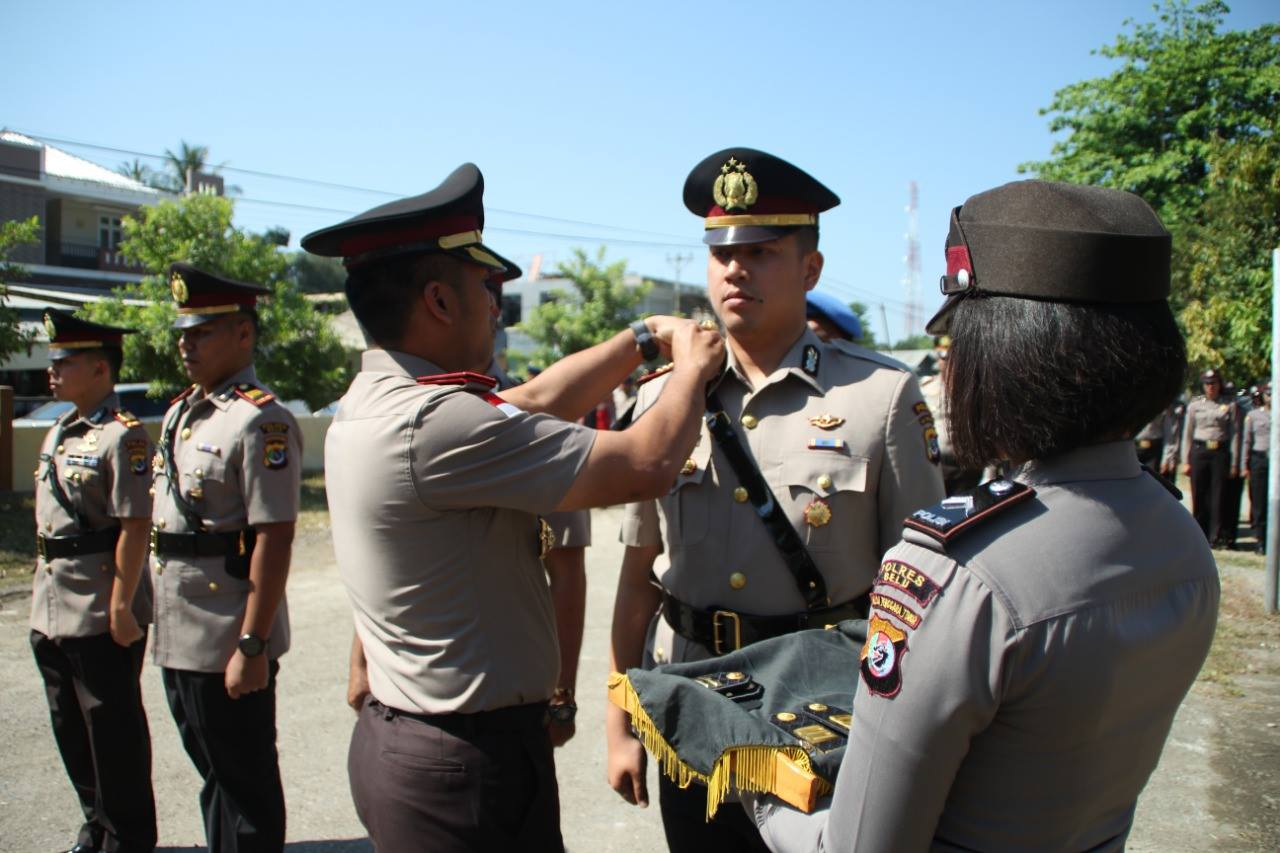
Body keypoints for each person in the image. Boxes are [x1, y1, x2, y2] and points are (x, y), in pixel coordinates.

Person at [743, 180, 1219, 852]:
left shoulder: (953, 572)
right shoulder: (1180, 536)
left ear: (1007, 358)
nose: (952, 368)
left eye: (959, 345)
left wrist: (756, 782)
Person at [302, 162, 723, 852]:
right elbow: (647, 461)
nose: (497, 305)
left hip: (417, 742)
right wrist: (693, 366)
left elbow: (527, 401)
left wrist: (641, 339)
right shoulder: (433, 424)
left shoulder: (377, 400)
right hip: (462, 764)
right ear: (438, 300)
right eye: (484, 288)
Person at [607, 147, 944, 852]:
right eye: (722, 252)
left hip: (824, 714)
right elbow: (641, 569)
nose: (735, 268)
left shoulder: (879, 397)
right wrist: (621, 719)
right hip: (693, 703)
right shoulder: (662, 400)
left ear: (809, 269)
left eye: (761, 252)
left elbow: (920, 595)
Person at [150, 263, 301, 853]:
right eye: (184, 333)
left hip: (228, 633)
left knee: (246, 786)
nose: (185, 343)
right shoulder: (183, 412)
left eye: (202, 332)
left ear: (243, 334)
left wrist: (253, 645)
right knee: (214, 776)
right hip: (181, 630)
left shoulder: (261, 419)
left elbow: (276, 537)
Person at [30, 310, 156, 853]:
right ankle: (97, 822)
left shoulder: (121, 438)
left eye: (65, 363)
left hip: (100, 602)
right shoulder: (59, 429)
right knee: (69, 725)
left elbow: (134, 524)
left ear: (101, 369)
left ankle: (128, 837)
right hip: (51, 603)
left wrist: (122, 603)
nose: (52, 372)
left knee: (112, 727)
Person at [1181, 368, 1240, 546]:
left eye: (1213, 383)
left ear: (1219, 384)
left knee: (1218, 495)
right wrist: (1185, 460)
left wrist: (1235, 462)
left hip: (1219, 452)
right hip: (1200, 451)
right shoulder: (1195, 405)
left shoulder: (1229, 405)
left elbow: (1235, 435)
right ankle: (1199, 533)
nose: (1210, 387)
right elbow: (1188, 434)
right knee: (1199, 493)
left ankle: (1215, 535)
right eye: (1207, 384)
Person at [1243, 382, 1271, 553]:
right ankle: (1261, 540)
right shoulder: (1253, 415)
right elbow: (1247, 441)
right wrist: (1244, 464)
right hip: (1259, 460)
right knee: (1259, 501)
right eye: (1268, 393)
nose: (1271, 397)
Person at [1135, 400, 1183, 476]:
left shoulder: (1162, 405)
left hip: (1154, 450)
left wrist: (1166, 458)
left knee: (1151, 481)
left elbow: (1169, 434)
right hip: (1134, 449)